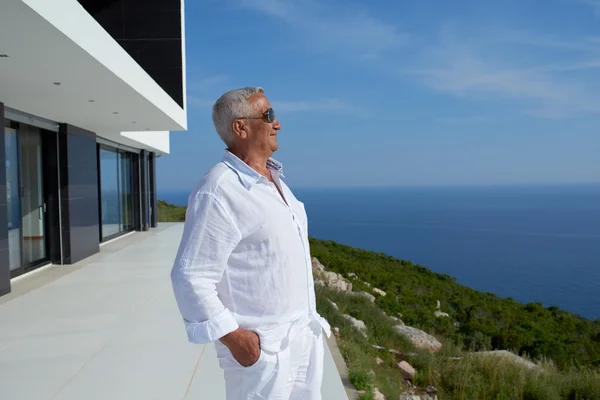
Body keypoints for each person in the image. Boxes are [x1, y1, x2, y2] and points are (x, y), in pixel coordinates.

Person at [170, 87, 331, 399]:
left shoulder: (275, 180)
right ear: (240, 127)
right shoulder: (219, 188)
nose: (277, 123)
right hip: (265, 355)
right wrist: (239, 341)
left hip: (301, 342)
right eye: (268, 115)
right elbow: (190, 275)